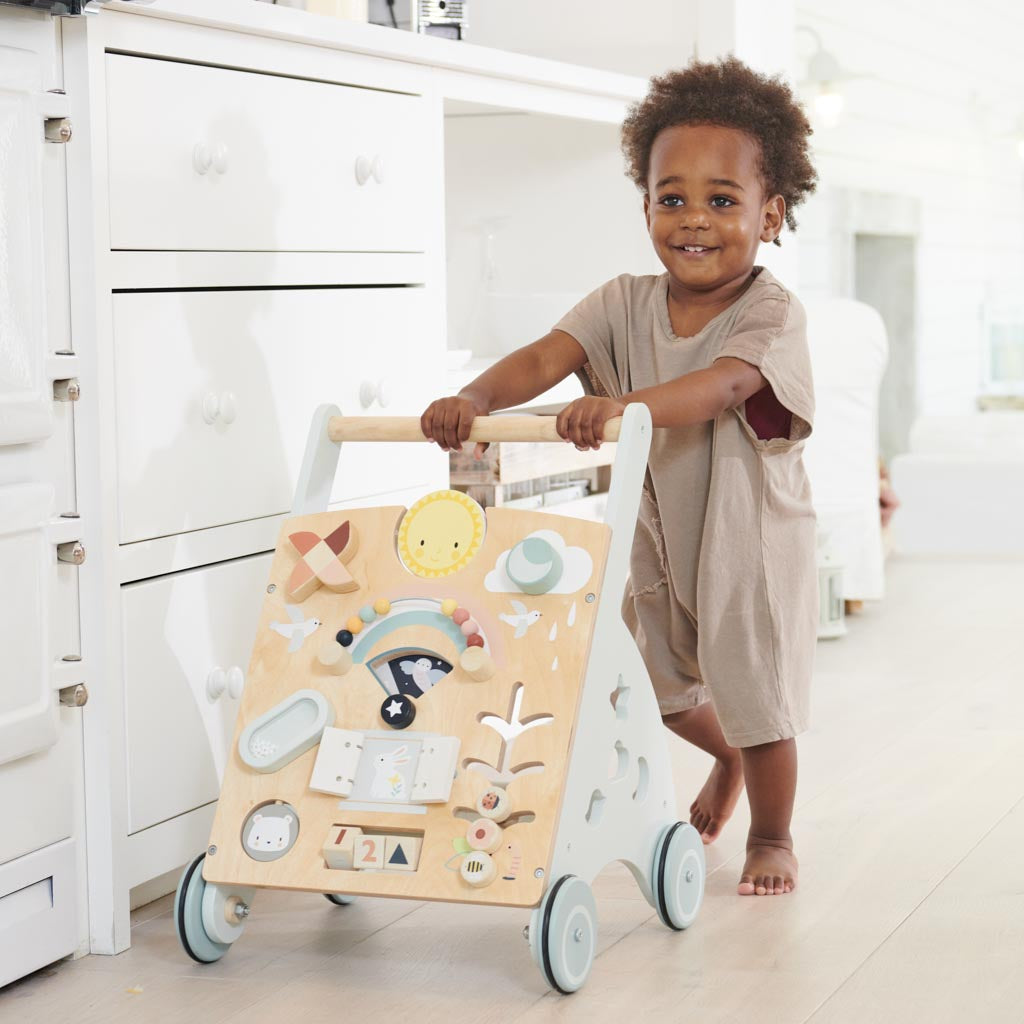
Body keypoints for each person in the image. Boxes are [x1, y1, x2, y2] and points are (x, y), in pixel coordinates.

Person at [420, 57, 818, 897]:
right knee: (663, 690)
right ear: (645, 208)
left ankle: (772, 834)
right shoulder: (621, 303)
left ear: (770, 215)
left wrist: (620, 407)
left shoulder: (769, 311)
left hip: (747, 543)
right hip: (660, 534)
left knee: (757, 698)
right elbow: (543, 357)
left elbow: (727, 386)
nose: (694, 220)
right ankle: (726, 764)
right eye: (672, 198)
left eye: (723, 199)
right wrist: (475, 395)